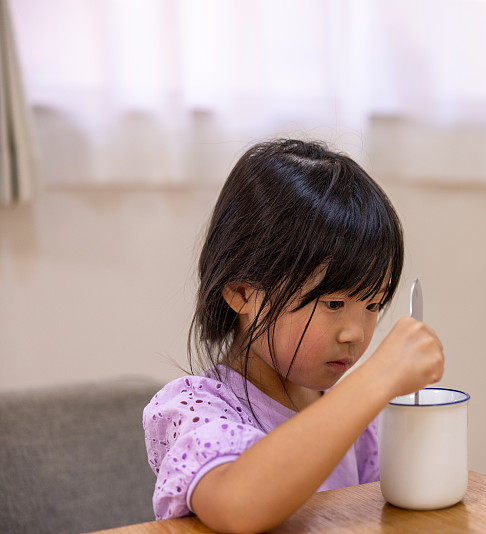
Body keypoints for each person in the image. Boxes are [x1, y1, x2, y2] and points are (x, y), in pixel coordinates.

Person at [142, 139, 445, 533]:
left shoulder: (355, 423)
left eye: (373, 306)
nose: (356, 334)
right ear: (242, 293)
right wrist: (378, 378)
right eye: (334, 304)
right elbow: (240, 506)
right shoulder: (196, 409)